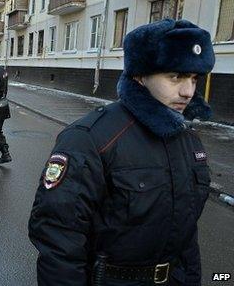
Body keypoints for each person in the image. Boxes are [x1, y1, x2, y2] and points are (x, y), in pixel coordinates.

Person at [28, 19, 215, 286]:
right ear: (140, 76)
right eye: (175, 76)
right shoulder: (91, 139)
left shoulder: (188, 140)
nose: (188, 91)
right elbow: (59, 240)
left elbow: (186, 236)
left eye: (194, 78)